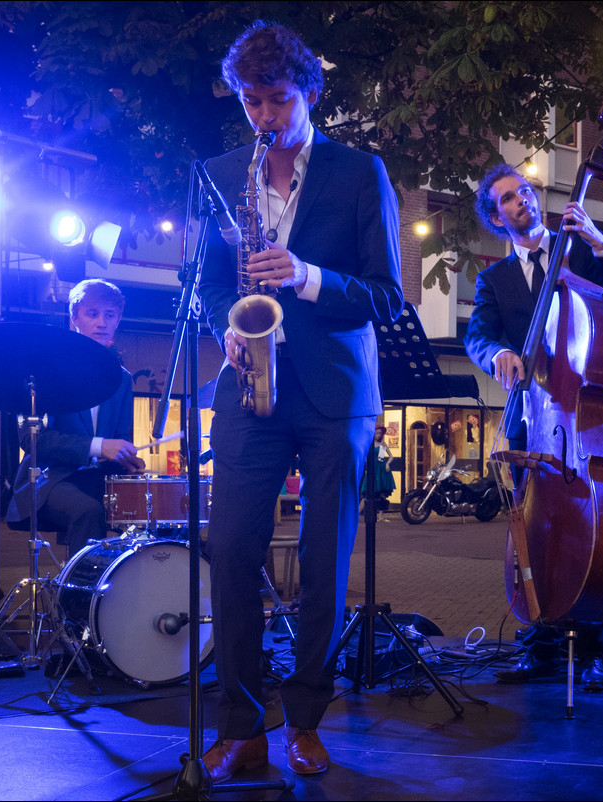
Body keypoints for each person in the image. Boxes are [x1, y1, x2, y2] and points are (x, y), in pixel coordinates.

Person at [197, 21, 403, 782]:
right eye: (251, 102)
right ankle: (242, 727)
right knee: (230, 555)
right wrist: (226, 320)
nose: (264, 117)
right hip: (247, 385)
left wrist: (305, 275)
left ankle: (307, 723)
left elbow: (386, 296)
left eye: (278, 100)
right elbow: (209, 279)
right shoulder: (221, 172)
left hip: (333, 394)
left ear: (310, 93)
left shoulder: (359, 172)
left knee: (324, 562)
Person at [463, 162, 603, 693]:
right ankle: (537, 645)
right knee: (534, 537)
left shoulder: (582, 252)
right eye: (510, 199)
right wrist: (496, 353)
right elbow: (477, 335)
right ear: (498, 218)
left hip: (580, 425)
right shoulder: (492, 279)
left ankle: (593, 653)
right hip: (531, 424)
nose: (524, 201)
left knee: (590, 533)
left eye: (525, 191)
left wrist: (602, 243)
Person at [6, 279, 145, 556]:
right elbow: (33, 440)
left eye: (110, 315)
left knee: (157, 510)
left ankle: (132, 594)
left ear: (118, 320)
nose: (101, 322)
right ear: (74, 318)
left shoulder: (123, 380)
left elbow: (121, 437)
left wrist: (125, 457)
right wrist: (98, 446)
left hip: (98, 478)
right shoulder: (44, 373)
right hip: (49, 479)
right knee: (87, 511)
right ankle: (78, 596)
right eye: (92, 314)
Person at [362, 425, 396, 511]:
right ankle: (359, 512)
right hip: (372, 469)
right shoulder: (370, 444)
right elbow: (365, 457)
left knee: (381, 492)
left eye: (380, 433)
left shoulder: (382, 445)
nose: (378, 435)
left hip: (380, 469)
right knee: (367, 491)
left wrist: (387, 464)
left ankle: (380, 514)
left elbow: (390, 456)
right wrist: (366, 468)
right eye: (377, 433)